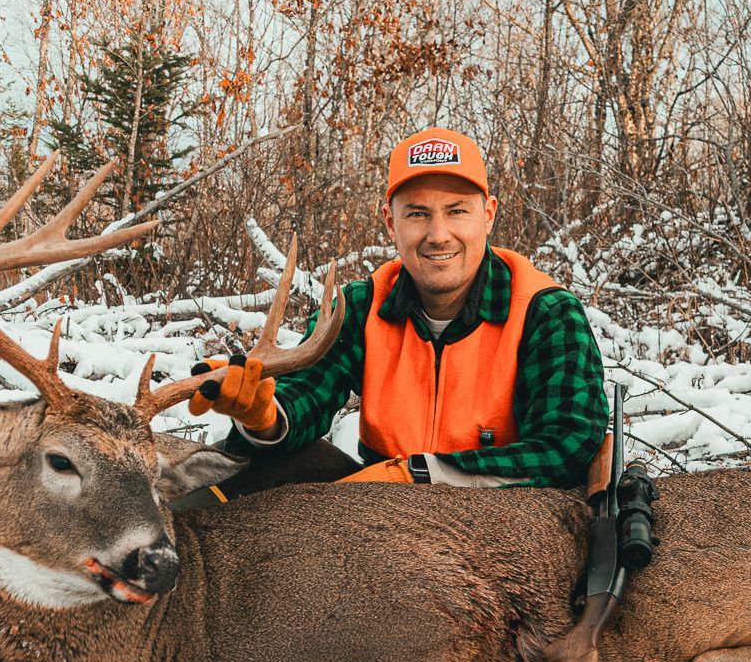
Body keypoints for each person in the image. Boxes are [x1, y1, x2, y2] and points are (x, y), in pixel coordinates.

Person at [190, 128, 608, 487]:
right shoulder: (358, 307)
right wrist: (264, 415)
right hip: (382, 519)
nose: (438, 235)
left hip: (498, 519)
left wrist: (420, 474)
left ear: (489, 214)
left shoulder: (546, 313)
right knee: (255, 470)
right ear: (390, 222)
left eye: (457, 211)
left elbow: (565, 446)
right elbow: (308, 392)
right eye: (418, 214)